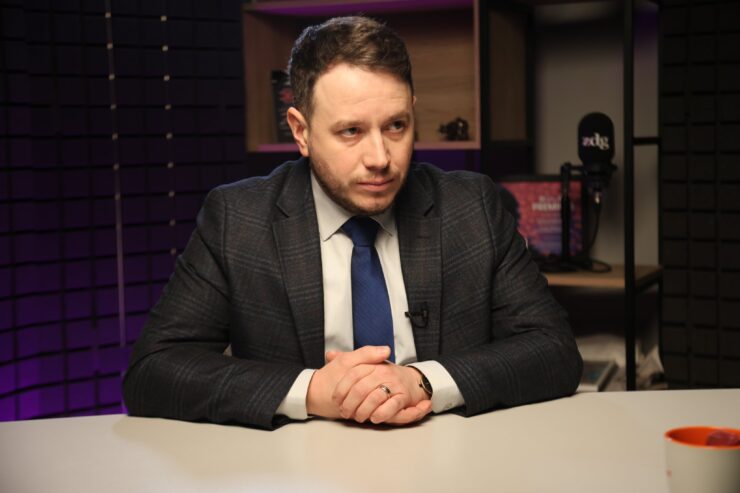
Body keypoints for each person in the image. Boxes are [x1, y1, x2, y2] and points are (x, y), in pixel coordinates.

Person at [123, 16, 582, 430]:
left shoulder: (473, 206)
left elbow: (554, 350)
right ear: (301, 131)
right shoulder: (237, 219)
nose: (380, 158)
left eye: (397, 126)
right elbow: (153, 371)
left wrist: (423, 380)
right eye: (351, 131)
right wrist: (312, 391)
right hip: (294, 473)